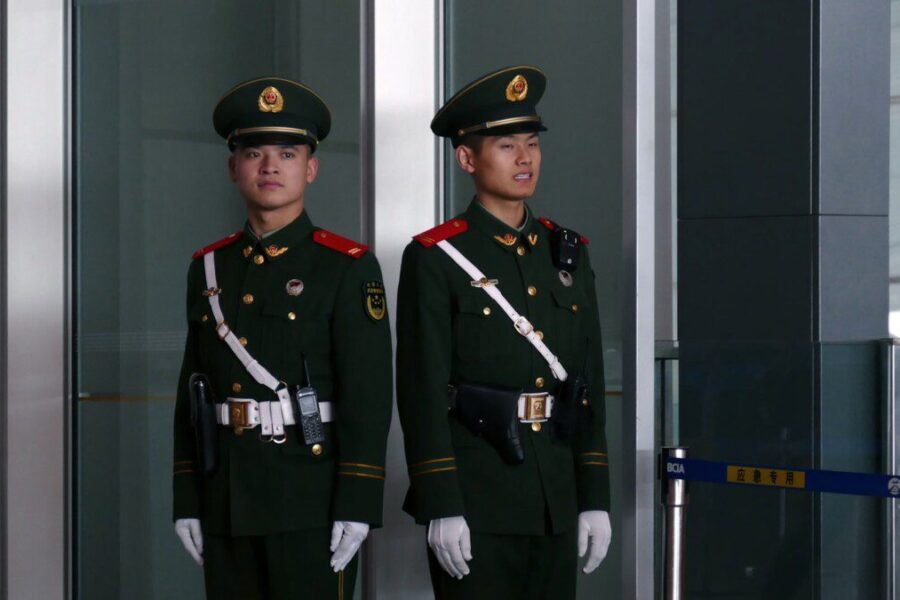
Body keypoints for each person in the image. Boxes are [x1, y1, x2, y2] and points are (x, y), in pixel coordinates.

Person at [171, 76, 392, 600]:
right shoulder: (208, 267)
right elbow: (192, 391)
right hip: (226, 496)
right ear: (234, 168)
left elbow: (369, 394)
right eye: (254, 153)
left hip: (311, 500)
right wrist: (187, 495)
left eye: (287, 153)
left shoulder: (345, 267)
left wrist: (358, 502)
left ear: (310, 169)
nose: (270, 166)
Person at [396, 65, 612, 599]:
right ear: (467, 159)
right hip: (478, 497)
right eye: (506, 144)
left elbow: (586, 379)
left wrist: (593, 494)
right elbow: (422, 390)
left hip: (554, 495)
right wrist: (442, 502)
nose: (525, 158)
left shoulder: (568, 252)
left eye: (532, 143)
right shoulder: (437, 257)